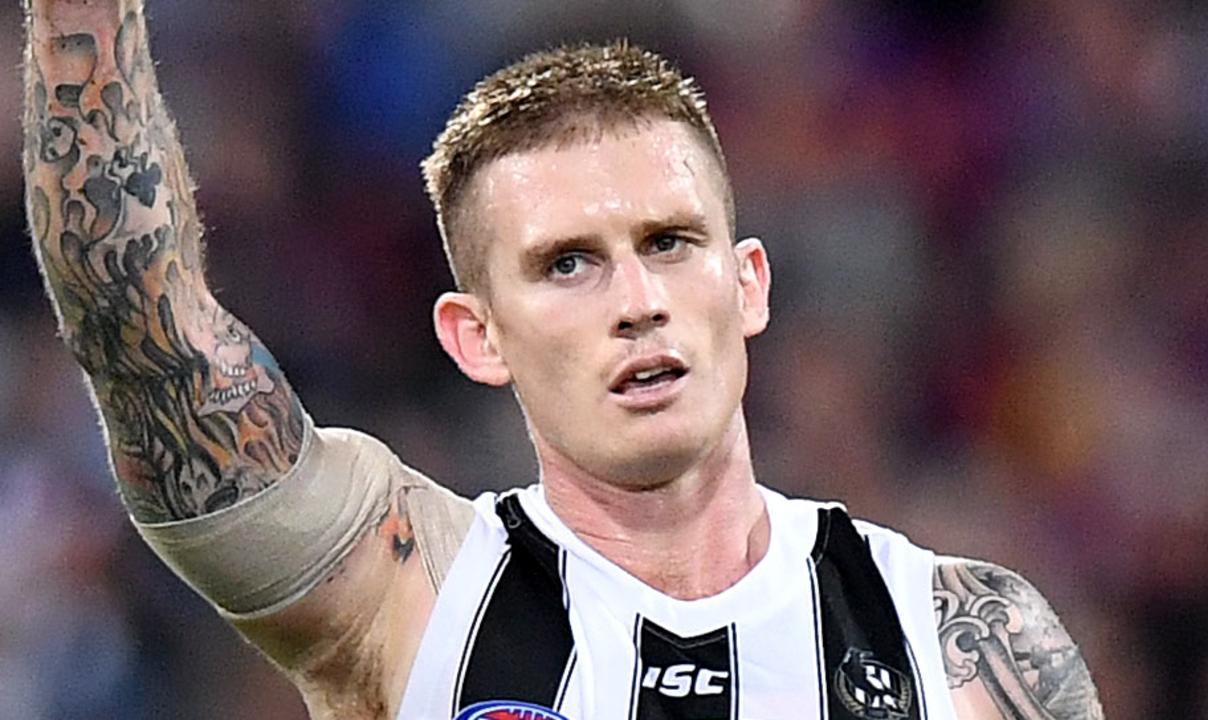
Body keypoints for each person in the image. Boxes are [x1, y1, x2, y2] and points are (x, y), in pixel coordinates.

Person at [21, 1, 1105, 719]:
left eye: (669, 243)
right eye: (567, 265)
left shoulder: (962, 640)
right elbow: (136, 324)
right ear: (475, 336)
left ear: (748, 283)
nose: (636, 303)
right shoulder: (408, 589)